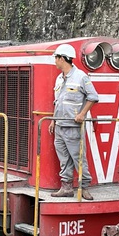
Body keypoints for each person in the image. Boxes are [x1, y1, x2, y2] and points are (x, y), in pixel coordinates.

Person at [48, 44, 99, 200]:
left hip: (73, 127)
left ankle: (84, 188)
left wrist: (82, 114)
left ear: (62, 59)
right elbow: (58, 101)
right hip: (59, 126)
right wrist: (53, 120)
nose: (55, 61)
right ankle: (66, 187)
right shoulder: (59, 78)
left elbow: (93, 96)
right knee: (64, 158)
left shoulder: (81, 77)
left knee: (78, 158)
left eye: (56, 58)